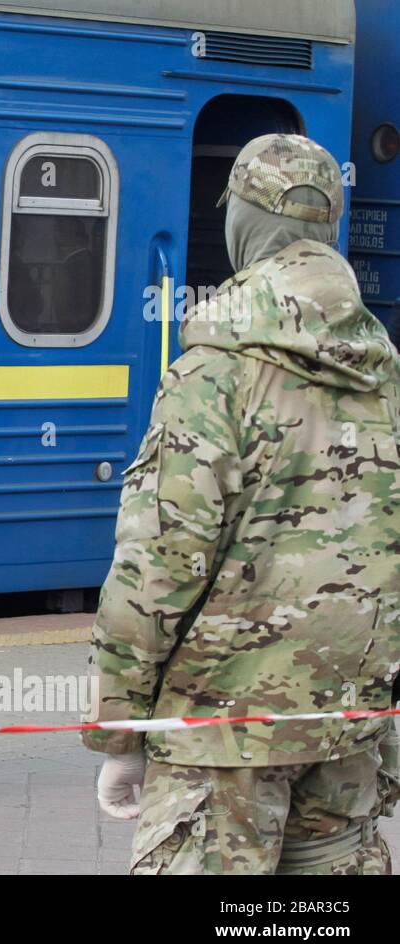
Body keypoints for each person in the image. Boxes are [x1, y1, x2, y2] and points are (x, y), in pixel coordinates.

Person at [83, 134, 400, 873]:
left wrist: (121, 732)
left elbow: (155, 569)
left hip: (218, 740)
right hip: (347, 725)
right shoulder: (385, 378)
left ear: (244, 224)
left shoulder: (212, 373)